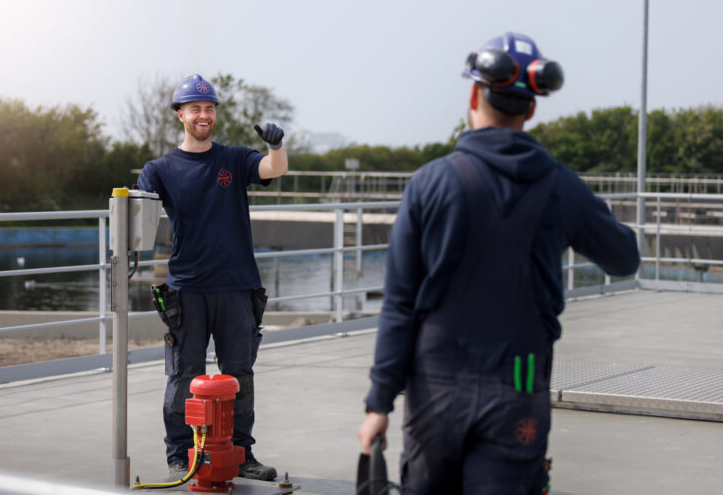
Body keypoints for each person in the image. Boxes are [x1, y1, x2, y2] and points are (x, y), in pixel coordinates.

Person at [357, 33, 640, 493]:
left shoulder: (430, 184)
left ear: (474, 94)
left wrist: (378, 404)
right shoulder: (560, 187)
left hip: (435, 393)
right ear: (531, 109)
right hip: (519, 390)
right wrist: (582, 206)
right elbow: (625, 258)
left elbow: (399, 306)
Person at [137, 74, 287, 481]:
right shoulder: (160, 169)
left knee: (239, 375)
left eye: (209, 108)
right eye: (195, 109)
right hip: (187, 288)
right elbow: (140, 211)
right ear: (180, 114)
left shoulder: (235, 159)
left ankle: (242, 454)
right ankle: (179, 453)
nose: (204, 115)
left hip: (237, 285)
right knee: (183, 374)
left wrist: (276, 145)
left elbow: (274, 168)